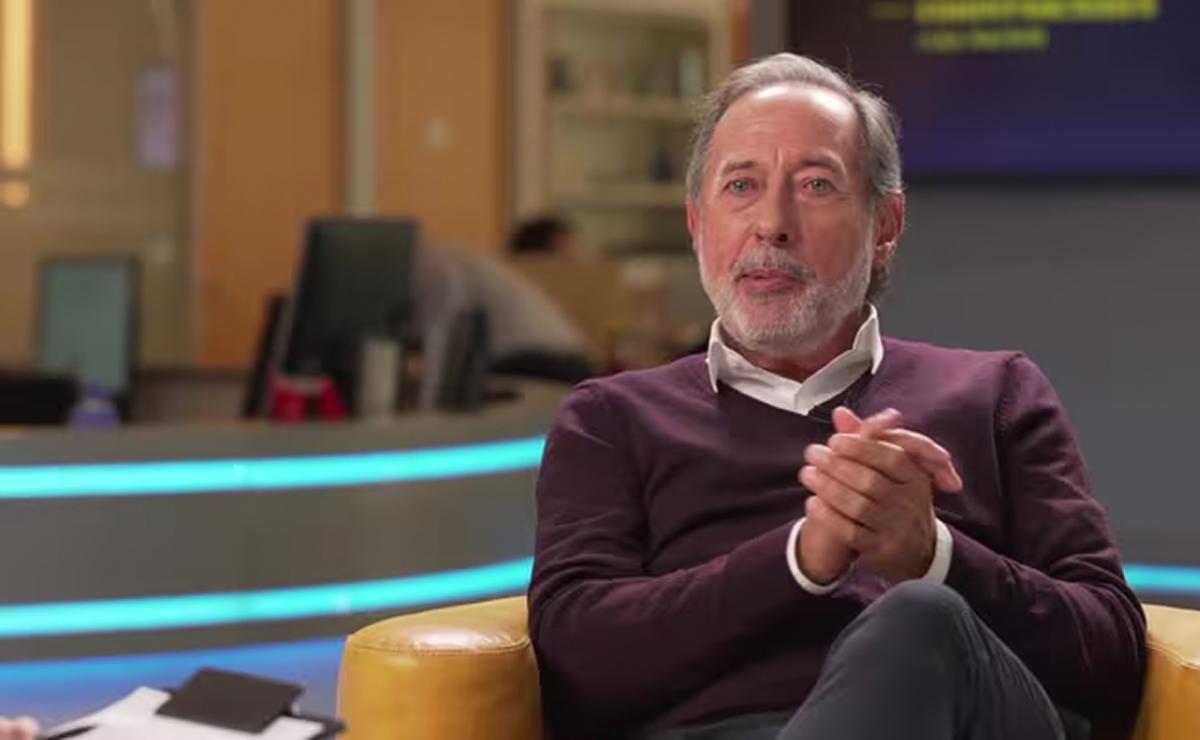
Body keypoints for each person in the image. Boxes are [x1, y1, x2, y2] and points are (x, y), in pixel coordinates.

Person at [528, 53, 1145, 740]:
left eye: (816, 184)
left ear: (886, 225)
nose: (772, 223)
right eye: (741, 186)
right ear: (698, 224)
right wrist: (799, 558)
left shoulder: (997, 393)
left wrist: (936, 557)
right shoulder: (611, 419)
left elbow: (1113, 661)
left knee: (922, 618)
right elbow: (576, 665)